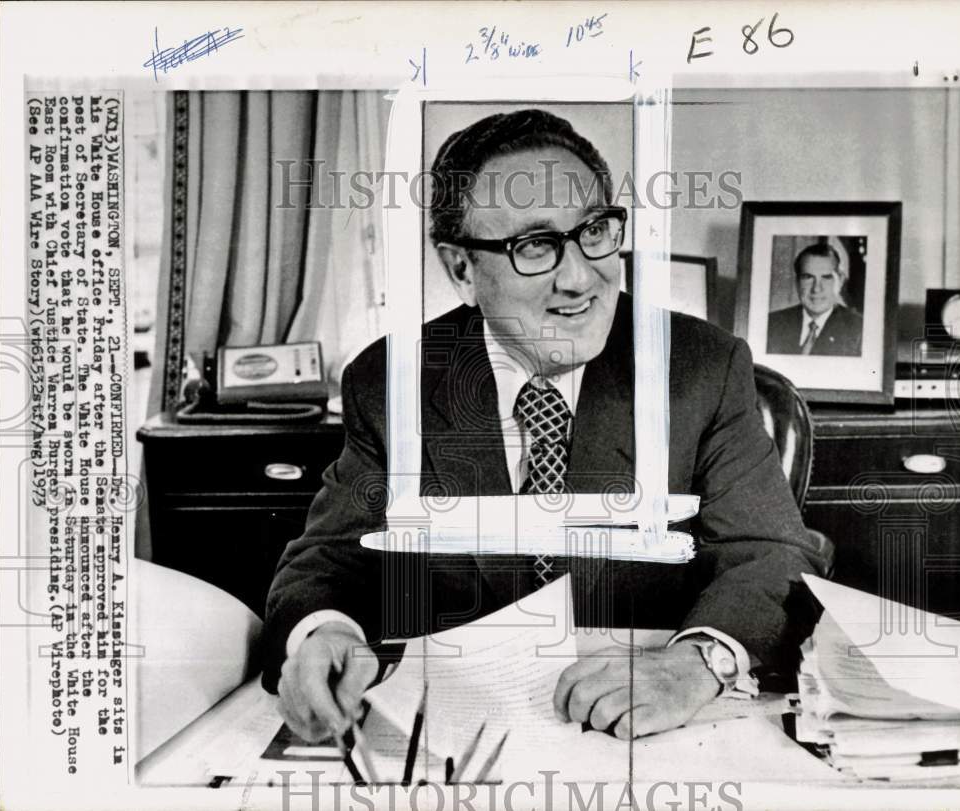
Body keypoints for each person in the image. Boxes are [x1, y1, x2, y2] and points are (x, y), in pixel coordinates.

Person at [263, 109, 824, 744]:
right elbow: (330, 559)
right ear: (461, 271)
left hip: (648, 739)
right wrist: (325, 632)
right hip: (459, 736)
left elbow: (773, 553)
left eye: (595, 232)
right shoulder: (394, 379)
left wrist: (694, 664)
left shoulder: (699, 366)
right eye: (534, 245)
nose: (580, 277)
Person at [766, 243, 863, 356]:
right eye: (808, 277)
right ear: (797, 282)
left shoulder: (859, 331)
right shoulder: (772, 325)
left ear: (840, 281)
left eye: (826, 278)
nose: (816, 288)